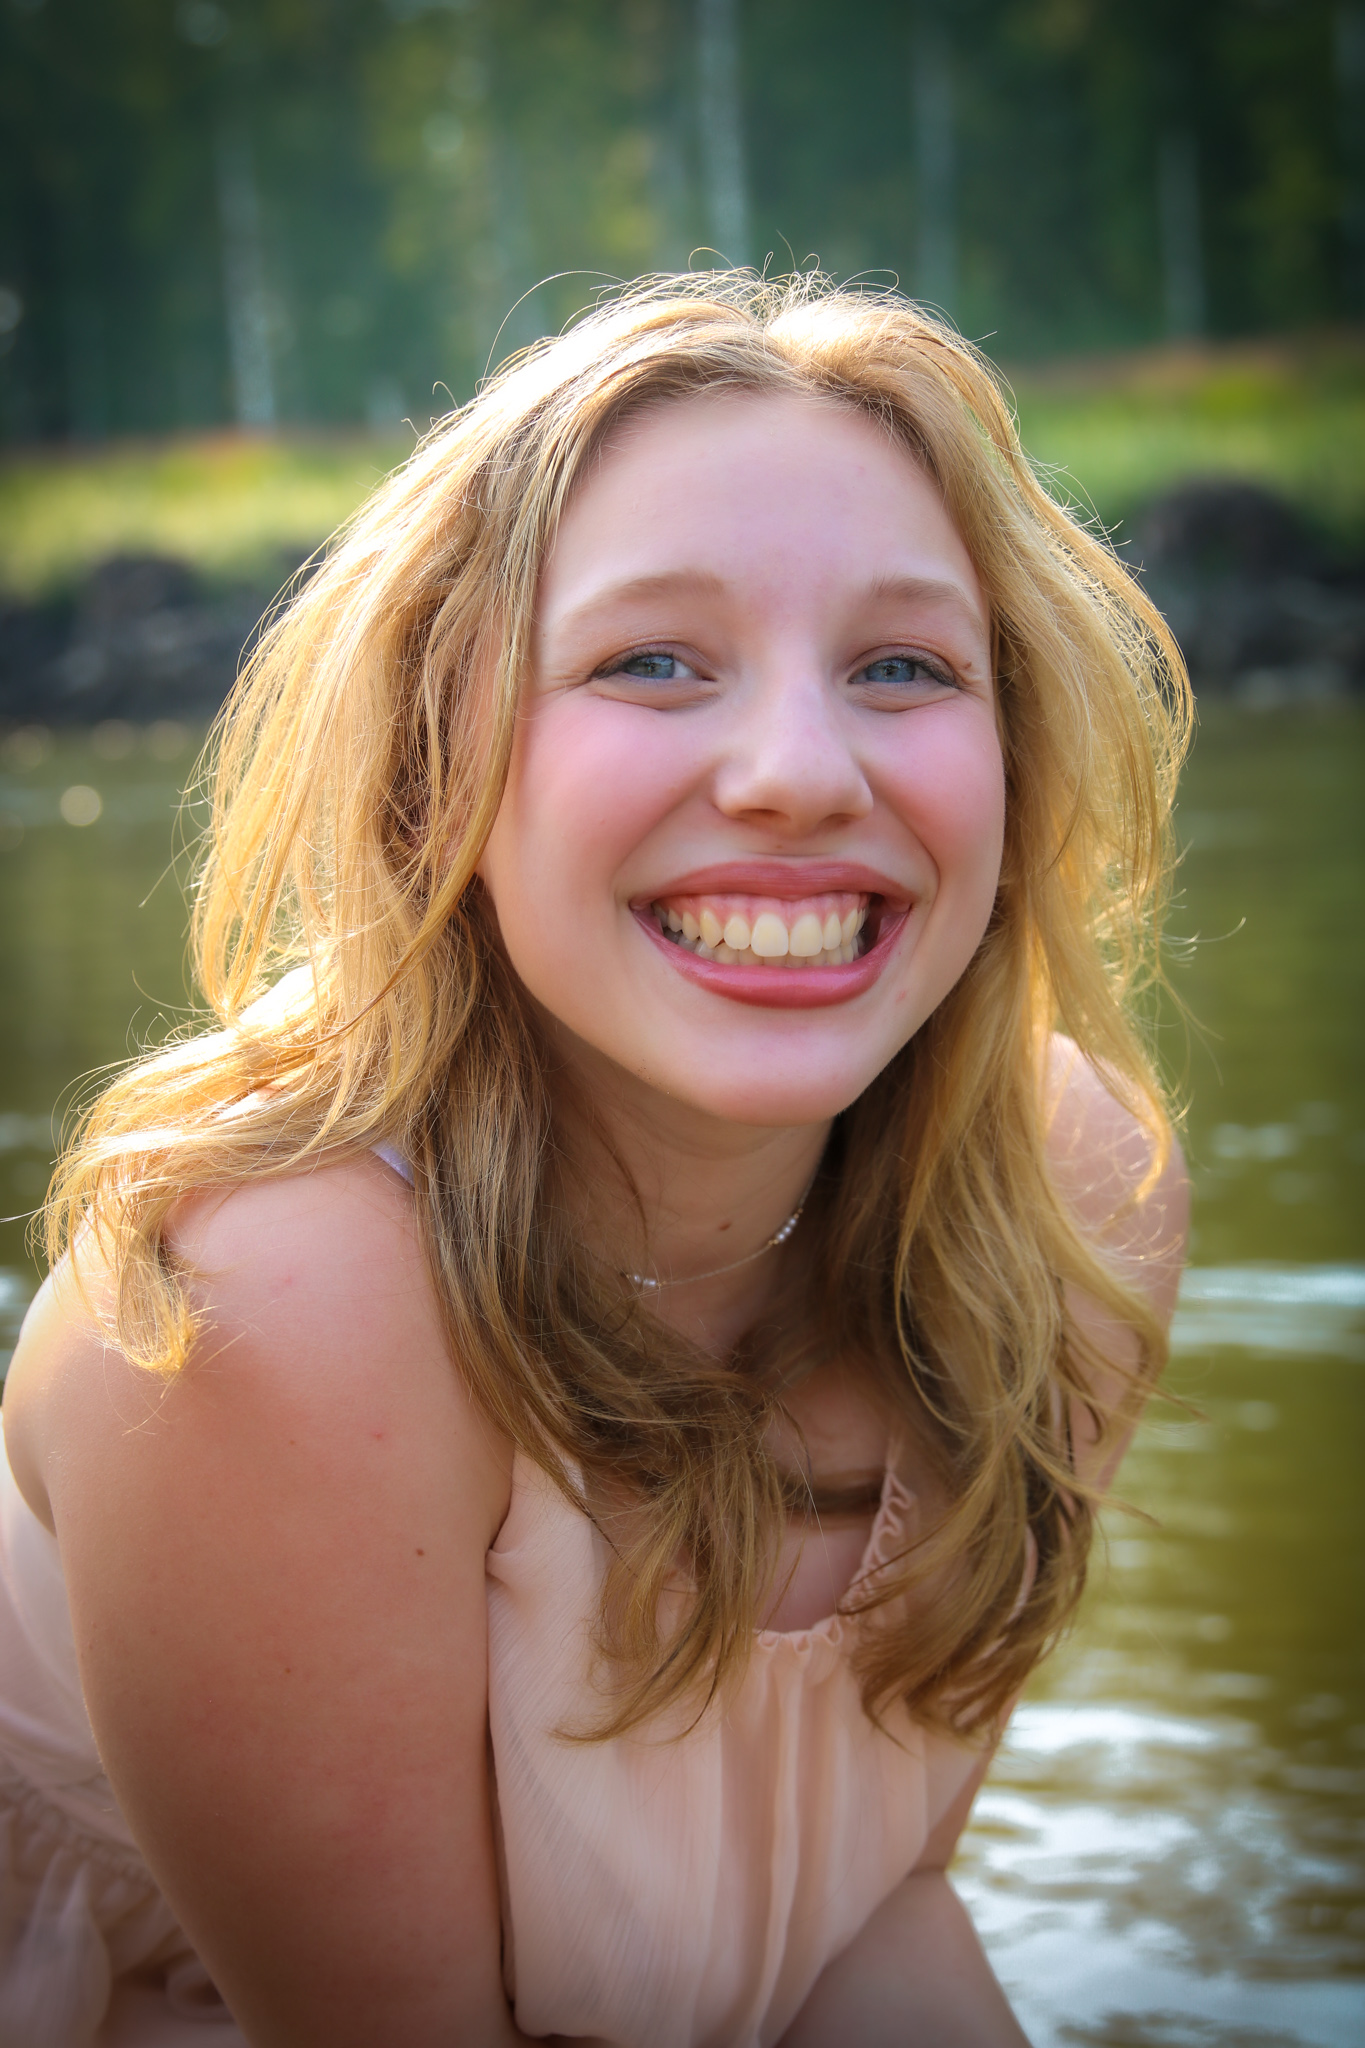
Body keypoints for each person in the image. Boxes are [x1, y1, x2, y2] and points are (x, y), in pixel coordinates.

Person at [1, 273, 1189, 2048]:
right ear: (438, 769)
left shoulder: (1072, 1203)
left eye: (902, 666)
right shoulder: (266, 1309)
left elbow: (848, 1906)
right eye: (651, 660)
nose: (798, 769)